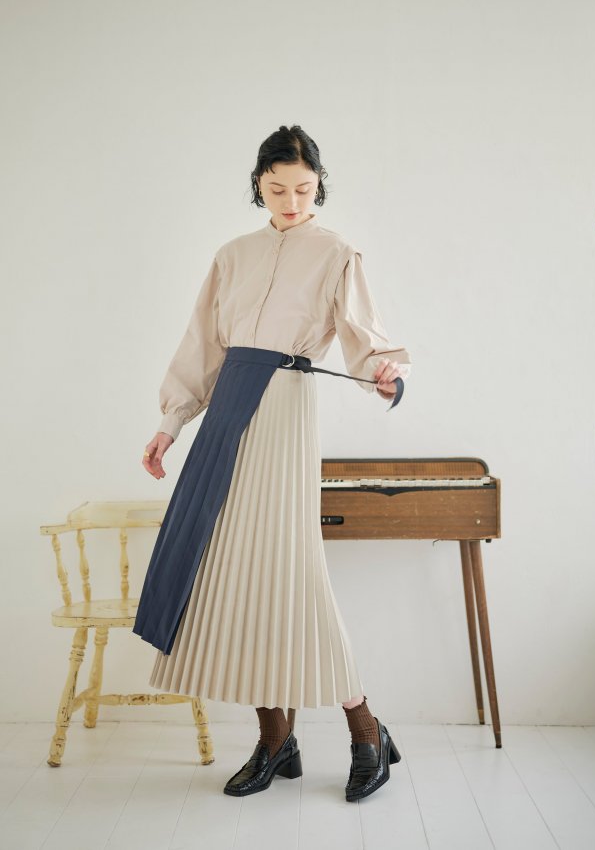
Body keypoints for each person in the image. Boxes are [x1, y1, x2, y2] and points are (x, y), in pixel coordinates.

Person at [134, 124, 410, 802]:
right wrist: (170, 424)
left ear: (319, 187)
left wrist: (383, 374)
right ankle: (274, 735)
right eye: (277, 188)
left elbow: (364, 336)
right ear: (258, 184)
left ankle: (365, 730)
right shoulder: (233, 255)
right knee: (235, 570)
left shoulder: (336, 253)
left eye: (304, 189)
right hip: (227, 412)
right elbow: (202, 346)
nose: (291, 201)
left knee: (295, 573)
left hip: (286, 410)